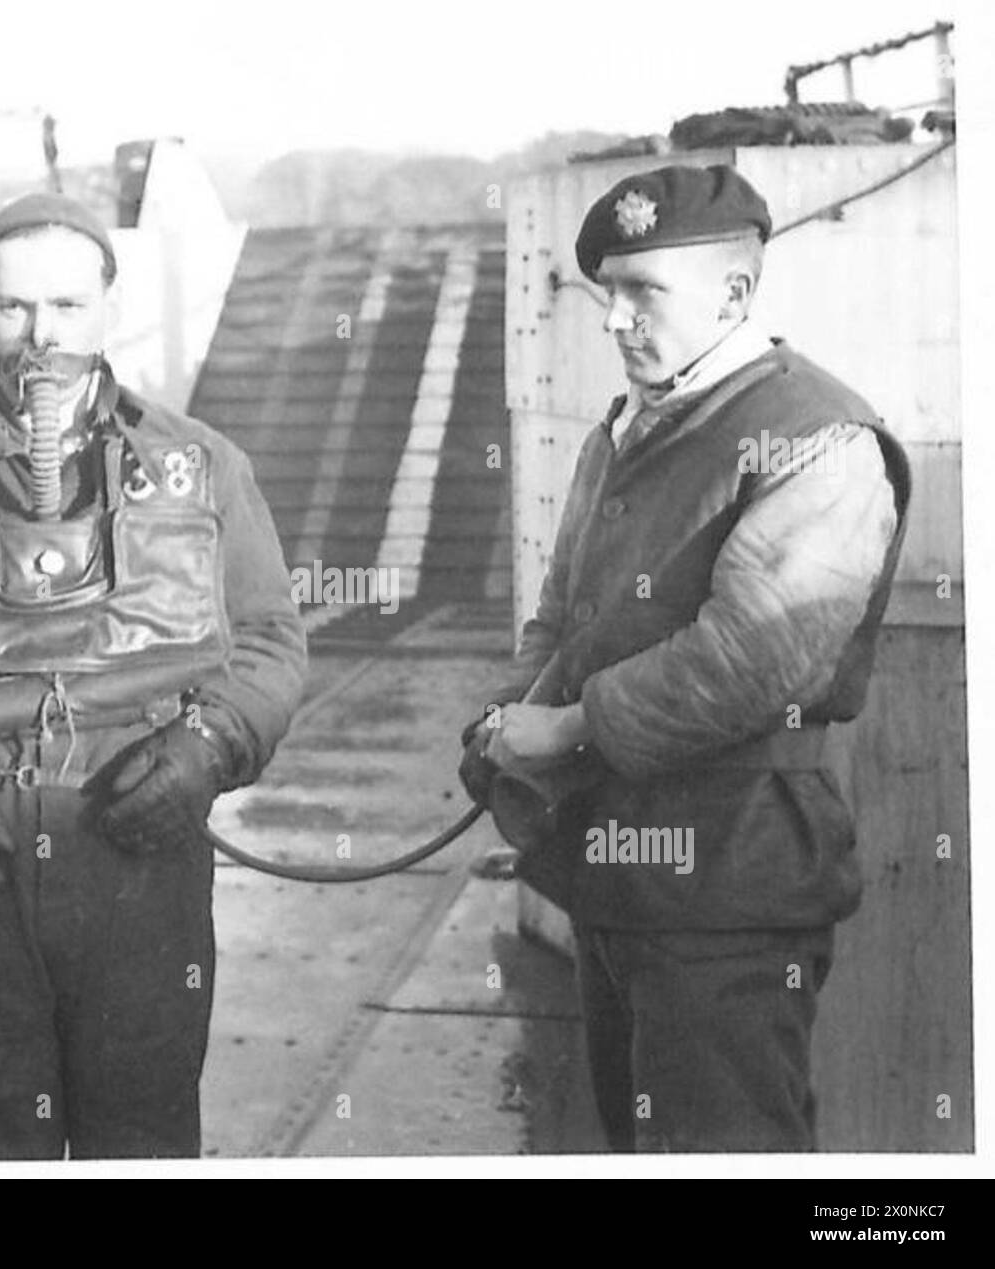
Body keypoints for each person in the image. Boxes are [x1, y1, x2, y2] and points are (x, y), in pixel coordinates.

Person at [0, 193, 307, 1160]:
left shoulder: (199, 466)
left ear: (110, 308)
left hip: (137, 856)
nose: (42, 338)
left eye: (68, 307)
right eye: (16, 308)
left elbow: (272, 640)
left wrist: (205, 749)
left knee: (141, 1140)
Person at [460, 164, 910, 1152]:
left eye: (642, 294)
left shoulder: (816, 437)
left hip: (732, 882)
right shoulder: (625, 425)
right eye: (606, 294)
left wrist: (568, 726)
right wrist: (508, 715)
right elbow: (561, 615)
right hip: (618, 871)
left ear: (734, 295)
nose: (615, 320)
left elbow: (754, 658)